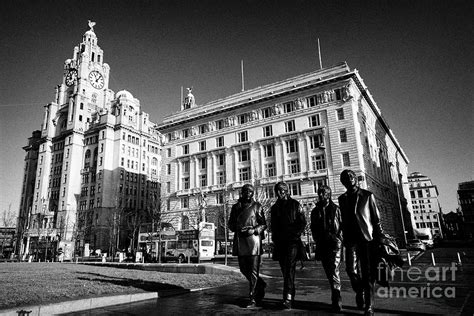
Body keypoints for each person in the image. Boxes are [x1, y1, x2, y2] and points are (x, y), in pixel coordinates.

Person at [338, 170, 384, 316]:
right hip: (351, 240)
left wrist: (379, 238)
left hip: (367, 239)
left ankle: (369, 306)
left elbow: (376, 220)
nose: (350, 179)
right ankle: (360, 290)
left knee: (368, 273)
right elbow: (343, 220)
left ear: (356, 179)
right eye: (346, 178)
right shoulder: (342, 199)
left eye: (351, 176)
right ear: (343, 182)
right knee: (351, 270)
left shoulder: (367, 195)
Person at [228, 184, 267, 308]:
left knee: (254, 271)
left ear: (253, 193)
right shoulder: (235, 207)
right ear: (242, 193)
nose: (248, 193)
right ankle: (260, 284)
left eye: (250, 191)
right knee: (244, 269)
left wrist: (254, 230)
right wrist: (237, 228)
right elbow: (230, 224)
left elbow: (263, 224)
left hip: (253, 241)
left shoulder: (257, 206)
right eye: (245, 191)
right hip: (241, 240)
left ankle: (253, 297)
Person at [270, 182, 307, 310]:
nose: (280, 192)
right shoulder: (274, 208)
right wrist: (274, 238)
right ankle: (290, 293)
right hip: (280, 243)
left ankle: (288, 297)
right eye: (278, 190)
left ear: (287, 190)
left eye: (282, 190)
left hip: (292, 242)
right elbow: (273, 226)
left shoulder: (295, 205)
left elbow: (302, 222)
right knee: (285, 271)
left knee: (289, 269)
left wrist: (295, 234)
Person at [310, 185, 343, 312]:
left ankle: (336, 297)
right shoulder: (315, 211)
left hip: (334, 244)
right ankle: (335, 291)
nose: (320, 195)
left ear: (329, 195)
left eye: (323, 193)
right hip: (322, 244)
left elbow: (341, 226)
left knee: (334, 269)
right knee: (329, 271)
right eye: (319, 193)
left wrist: (338, 240)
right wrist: (317, 239)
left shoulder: (336, 209)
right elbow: (313, 227)